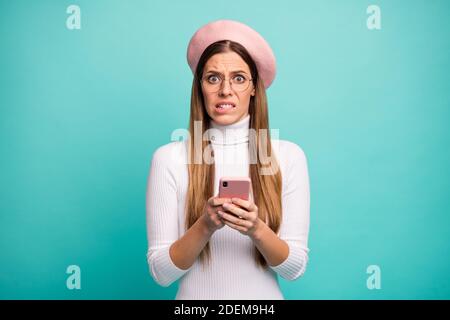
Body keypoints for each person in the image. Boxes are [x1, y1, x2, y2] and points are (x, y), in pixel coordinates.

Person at [146, 19, 310, 300]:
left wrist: (256, 229)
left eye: (238, 78)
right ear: (200, 87)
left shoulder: (288, 156)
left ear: (254, 87)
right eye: (213, 78)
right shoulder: (169, 158)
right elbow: (161, 273)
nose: (225, 90)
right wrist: (205, 225)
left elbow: (294, 268)